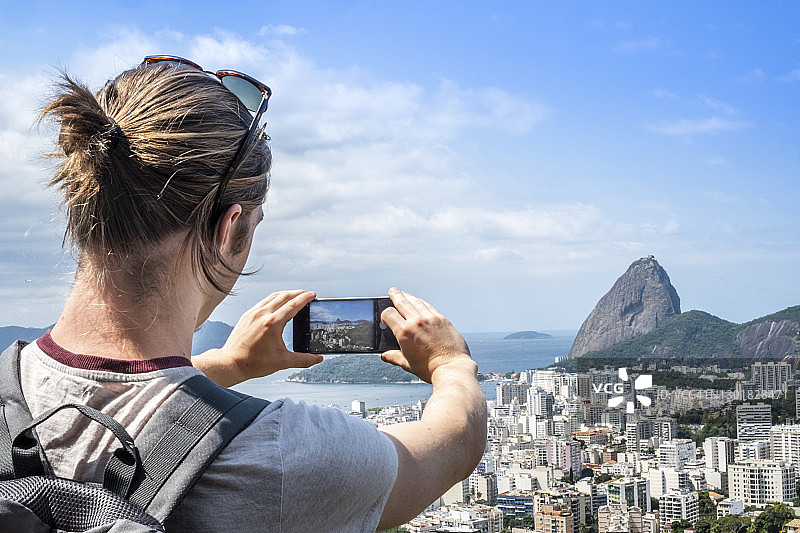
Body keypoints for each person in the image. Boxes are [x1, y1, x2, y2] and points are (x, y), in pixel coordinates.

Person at [15, 56, 487, 532]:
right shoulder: (281, 453)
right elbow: (453, 445)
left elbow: (106, 398)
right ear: (227, 229)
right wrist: (451, 366)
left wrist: (228, 364)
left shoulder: (6, 391)